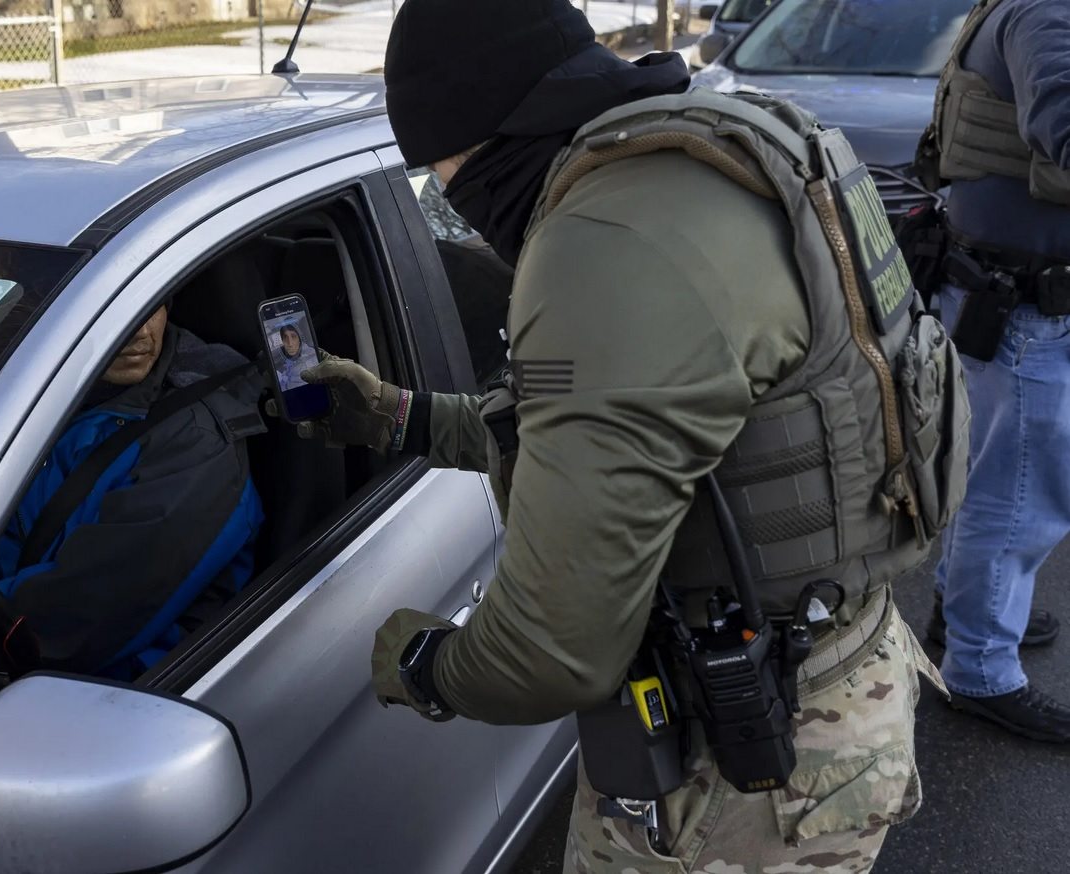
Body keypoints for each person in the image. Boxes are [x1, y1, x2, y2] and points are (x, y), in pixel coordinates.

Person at [297, 0, 969, 871]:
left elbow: (549, 654)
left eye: (441, 166)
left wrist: (422, 664)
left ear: (490, 131)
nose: (447, 192)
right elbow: (628, 421)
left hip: (744, 768)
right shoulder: (726, 147)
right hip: (838, 664)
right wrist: (399, 415)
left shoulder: (607, 244)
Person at [914, 0, 1070, 741]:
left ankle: (965, 610)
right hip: (1026, 306)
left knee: (992, 481)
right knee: (1017, 499)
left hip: (1006, 297)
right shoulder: (1050, 14)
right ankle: (979, 668)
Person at [0, 304, 266, 679]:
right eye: (115, 311)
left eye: (152, 308)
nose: (139, 332)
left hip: (105, 690)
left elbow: (66, 626)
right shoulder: (24, 385)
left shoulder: (196, 447)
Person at [273, 323, 318, 391]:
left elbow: (287, 390)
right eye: (285, 337)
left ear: (300, 339)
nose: (290, 343)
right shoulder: (300, 353)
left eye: (293, 336)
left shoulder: (305, 364)